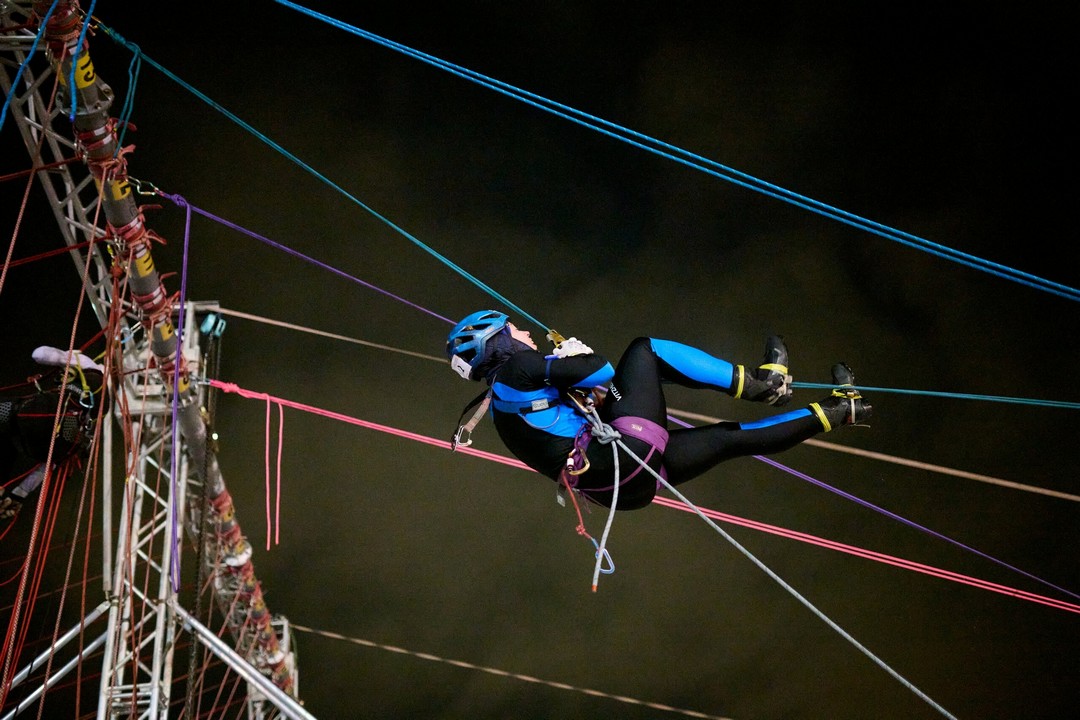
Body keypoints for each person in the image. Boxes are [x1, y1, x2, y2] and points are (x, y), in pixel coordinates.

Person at [446, 310, 871, 510]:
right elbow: (601, 370)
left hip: (625, 488)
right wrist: (574, 358)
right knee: (644, 351)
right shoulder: (517, 369)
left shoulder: (501, 408)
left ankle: (839, 411)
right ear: (499, 343)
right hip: (624, 453)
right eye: (513, 329)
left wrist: (584, 386)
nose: (524, 332)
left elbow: (561, 433)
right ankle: (764, 384)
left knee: (727, 439)